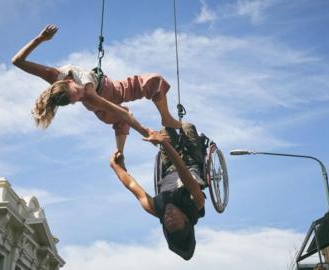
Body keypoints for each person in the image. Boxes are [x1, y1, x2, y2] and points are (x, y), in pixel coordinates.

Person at [12, 24, 181, 153]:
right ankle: (120, 152)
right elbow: (124, 114)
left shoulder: (53, 75)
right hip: (103, 103)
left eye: (76, 94)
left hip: (111, 92)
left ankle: (164, 120)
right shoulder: (88, 95)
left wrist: (40, 38)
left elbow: (17, 61)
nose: (79, 98)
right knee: (123, 116)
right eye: (75, 102)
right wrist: (146, 132)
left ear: (69, 82)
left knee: (153, 81)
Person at [109, 124, 206, 260]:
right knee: (186, 126)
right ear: (186, 219)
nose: (168, 215)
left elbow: (132, 185)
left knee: (166, 129)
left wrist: (116, 167)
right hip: (189, 163)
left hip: (168, 167)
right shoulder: (196, 202)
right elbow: (183, 172)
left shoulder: (155, 208)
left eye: (167, 221)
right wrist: (164, 143)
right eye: (174, 218)